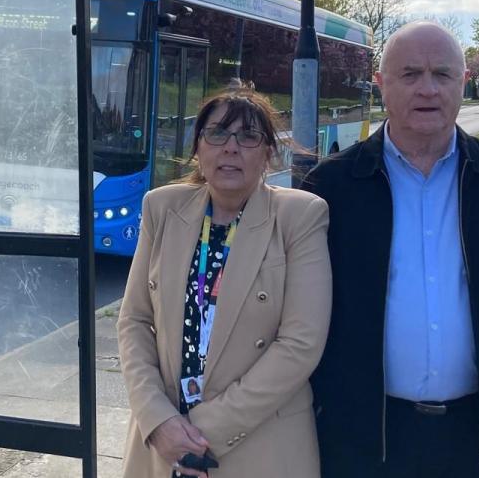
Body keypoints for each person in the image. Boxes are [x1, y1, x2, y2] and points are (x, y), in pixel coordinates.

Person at [303, 21, 479, 477]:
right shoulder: (331, 187)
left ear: (463, 84)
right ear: (380, 85)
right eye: (409, 74)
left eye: (442, 74)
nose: (427, 89)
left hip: (477, 440)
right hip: (359, 441)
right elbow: (297, 311)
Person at [118, 87, 332, 478]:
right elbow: (133, 320)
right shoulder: (161, 208)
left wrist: (200, 433)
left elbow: (301, 343)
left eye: (248, 136)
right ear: (198, 147)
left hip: (260, 445)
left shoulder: (299, 217)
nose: (230, 147)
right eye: (216, 133)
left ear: (268, 153)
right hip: (163, 445)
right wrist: (157, 419)